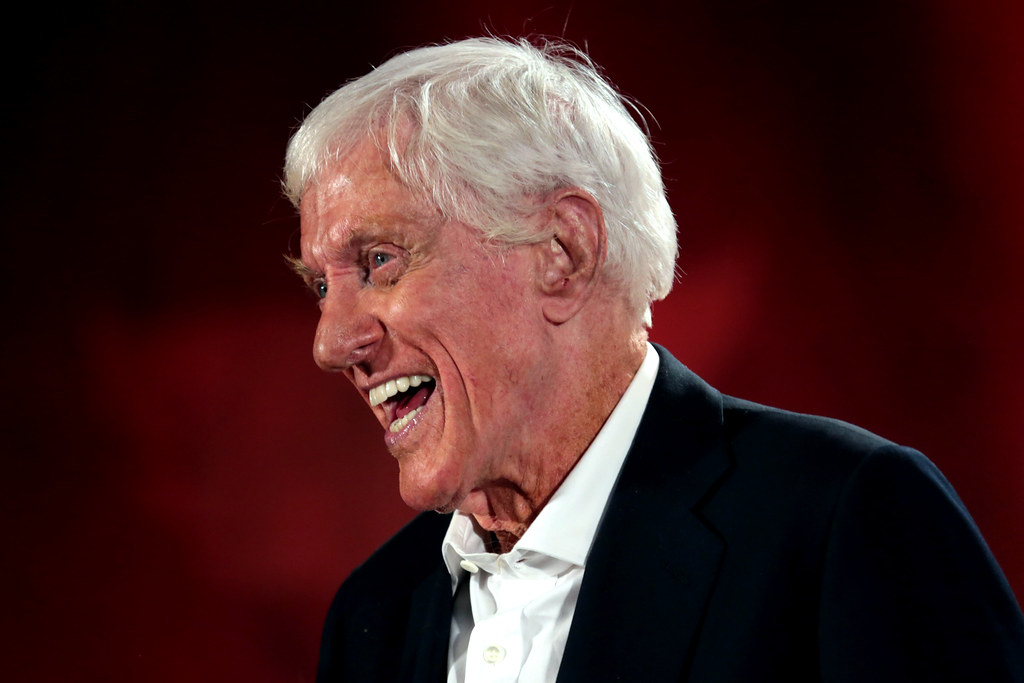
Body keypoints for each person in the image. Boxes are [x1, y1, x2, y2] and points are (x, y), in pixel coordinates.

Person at [283, 37, 1024, 682]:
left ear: (563, 252)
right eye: (321, 285)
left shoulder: (840, 527)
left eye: (379, 261)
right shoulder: (376, 615)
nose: (330, 343)